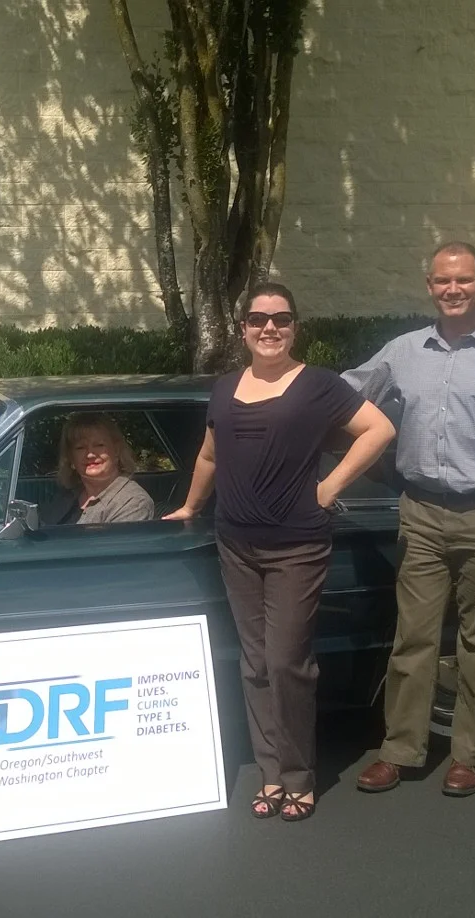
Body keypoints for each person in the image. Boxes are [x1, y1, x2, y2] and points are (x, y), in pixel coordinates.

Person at [164, 282, 395, 822]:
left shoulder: (318, 385)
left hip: (296, 545)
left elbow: (378, 429)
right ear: (242, 328)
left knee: (289, 662)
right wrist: (191, 506)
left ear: (295, 328)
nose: (270, 328)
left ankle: (298, 775)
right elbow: (209, 455)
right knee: (256, 663)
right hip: (235, 543)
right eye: (259, 319)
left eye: (282, 319)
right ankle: (269, 772)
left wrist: (329, 487)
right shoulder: (225, 388)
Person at [342, 242, 475, 798]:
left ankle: (469, 755)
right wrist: (283, 389)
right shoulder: (406, 351)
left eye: (462, 280)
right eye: (442, 281)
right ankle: (401, 752)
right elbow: (347, 390)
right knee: (412, 638)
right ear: (429, 286)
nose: (452, 290)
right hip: (422, 512)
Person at [43, 413, 156, 524]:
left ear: (116, 450)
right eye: (80, 447)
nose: (90, 455)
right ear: (71, 457)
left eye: (99, 445)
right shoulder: (66, 495)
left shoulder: (133, 502)